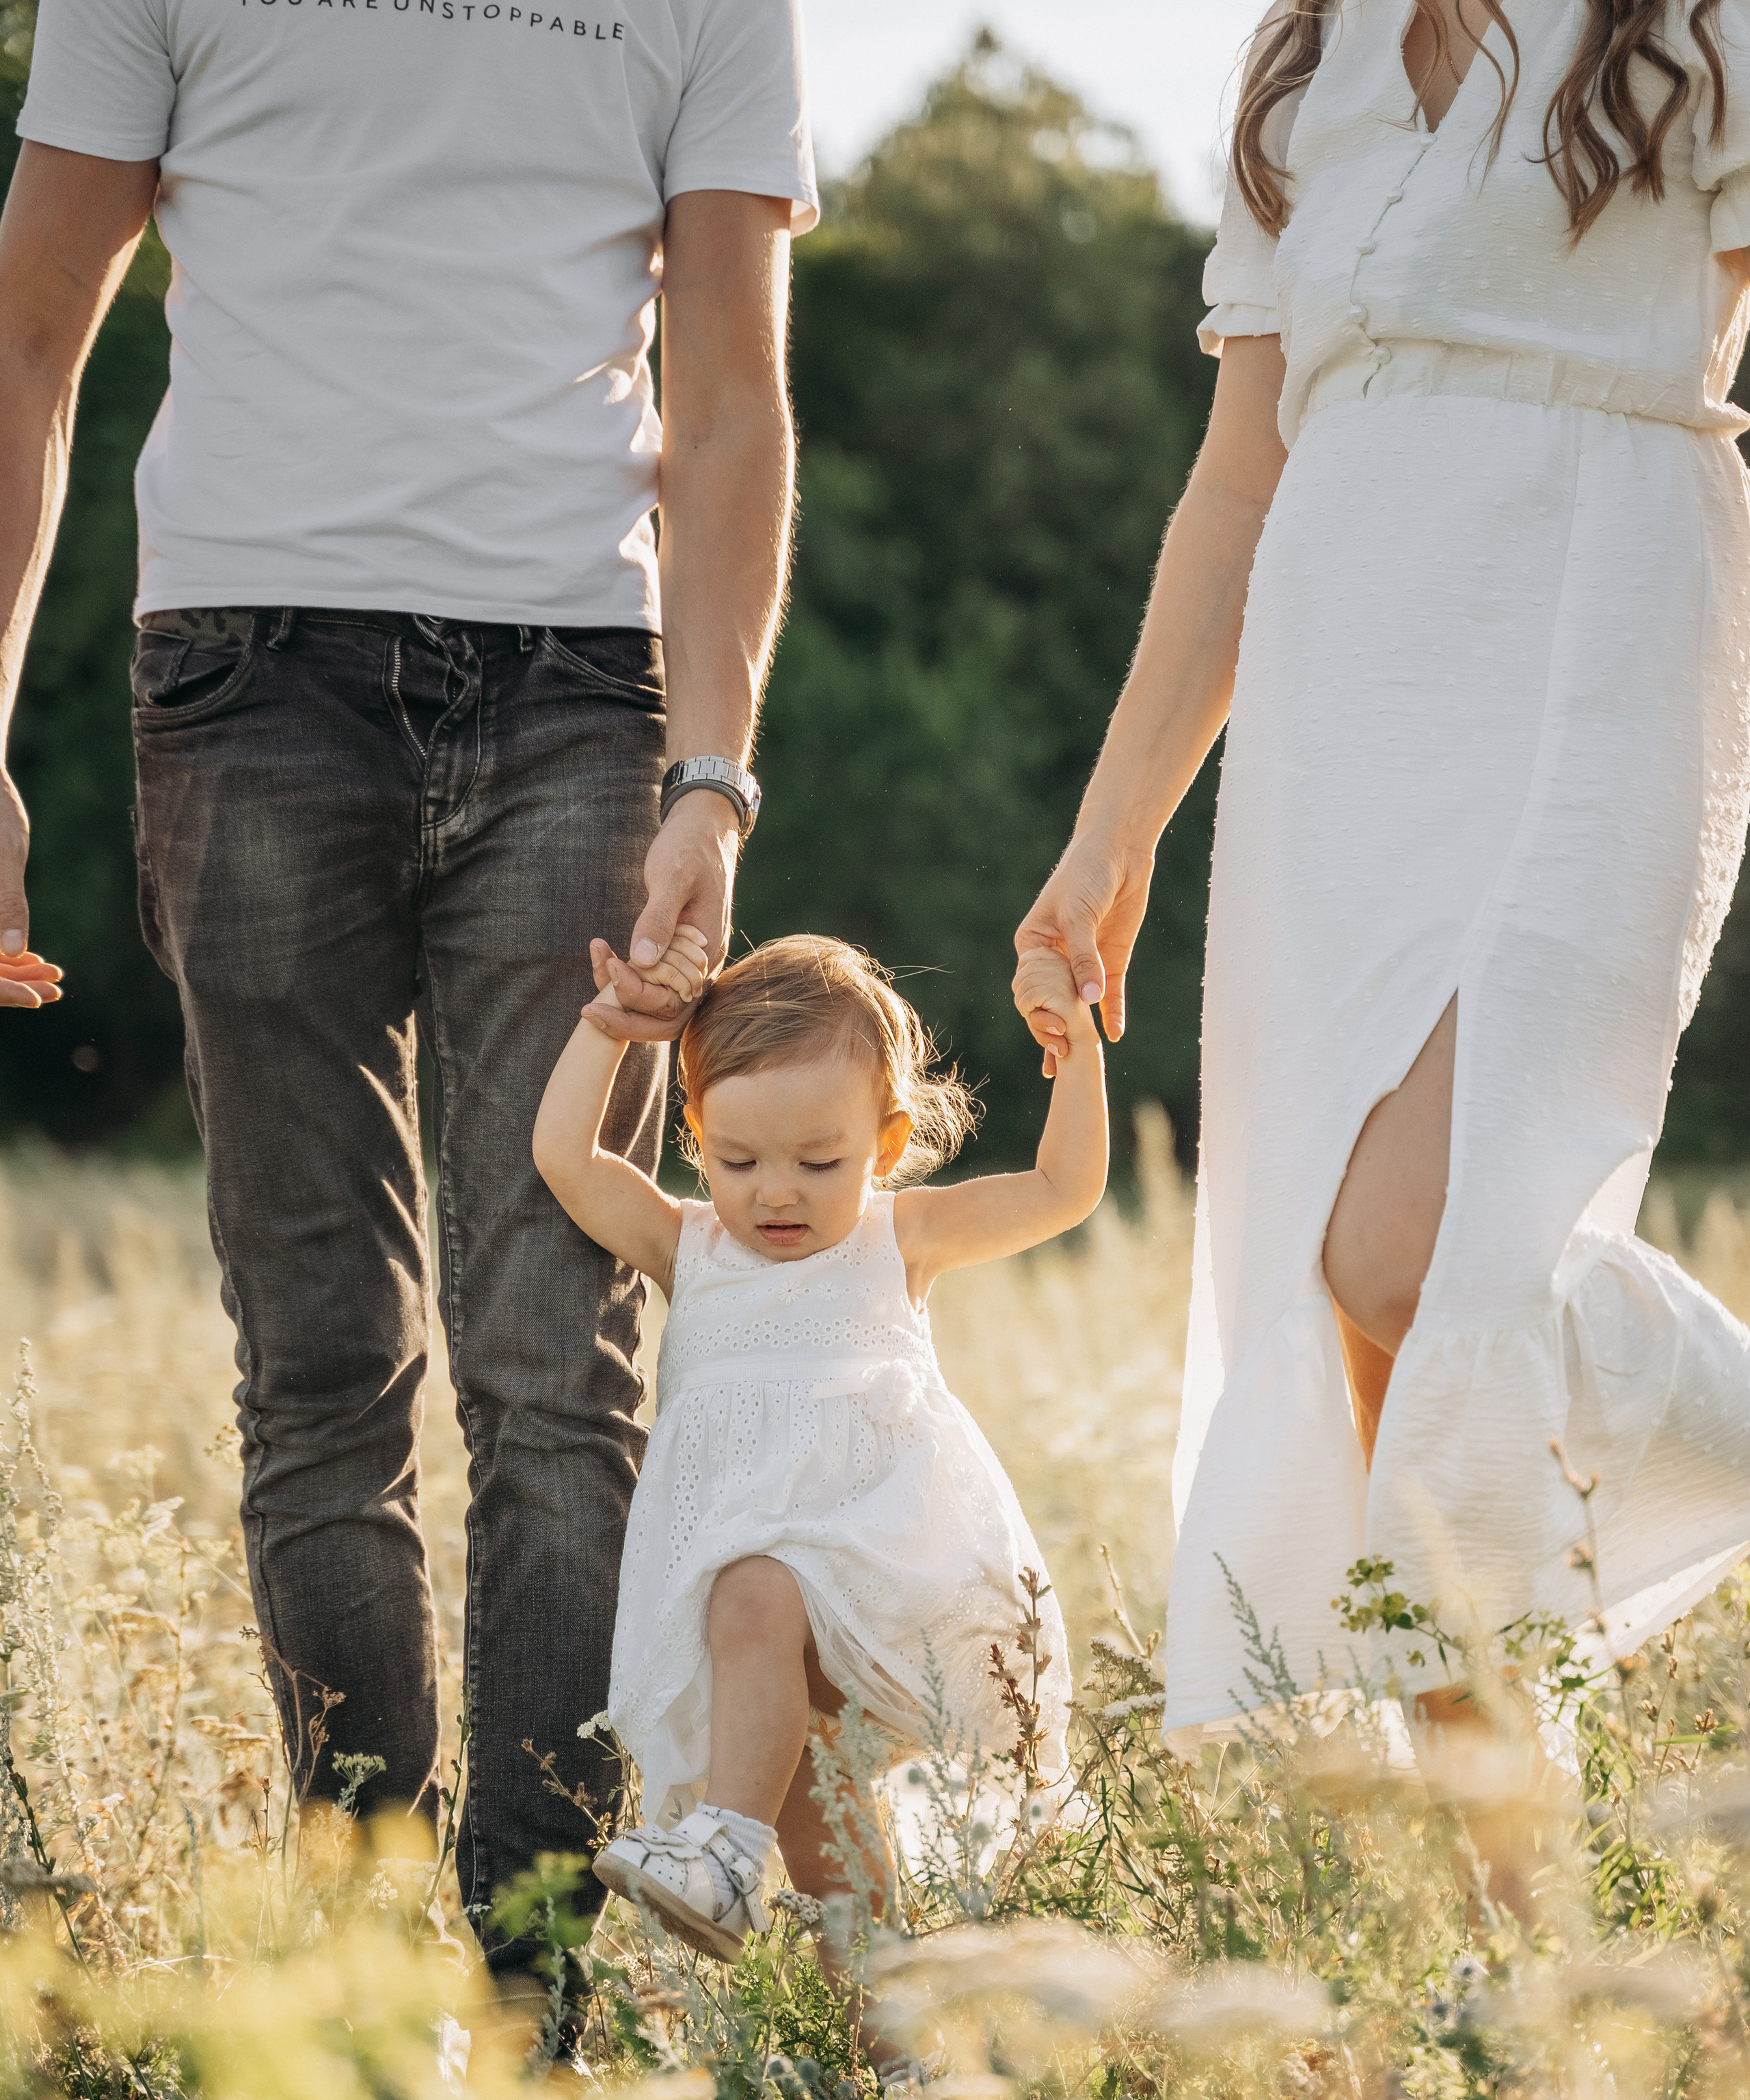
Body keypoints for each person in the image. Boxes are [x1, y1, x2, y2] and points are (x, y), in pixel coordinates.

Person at [0, 0, 817, 1953]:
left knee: (556, 1368)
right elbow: (29, 338)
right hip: (243, 684)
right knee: (321, 1374)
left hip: (579, 703)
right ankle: (372, 1984)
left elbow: (730, 404)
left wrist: (713, 773)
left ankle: (530, 1982)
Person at [1016, 0, 1750, 1742]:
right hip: (1338, 685)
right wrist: (1109, 829)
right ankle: (1508, 1910)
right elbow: (1234, 479)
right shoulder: (1306, 70)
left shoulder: (1691, 25)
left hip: (1601, 620)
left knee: (1420, 1248)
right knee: (1363, 1295)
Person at [530, 930, 1107, 1961]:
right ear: (696, 1132)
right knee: (833, 1846)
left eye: (819, 1161)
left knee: (753, 1587)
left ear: (885, 1146)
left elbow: (1064, 1188)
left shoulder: (900, 1240)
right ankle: (903, 2059)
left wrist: (1081, 1048)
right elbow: (567, 1161)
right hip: (773, 1653)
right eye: (738, 1160)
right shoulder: (694, 1247)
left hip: (879, 1574)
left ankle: (722, 1852)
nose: (777, 1192)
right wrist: (607, 1029)